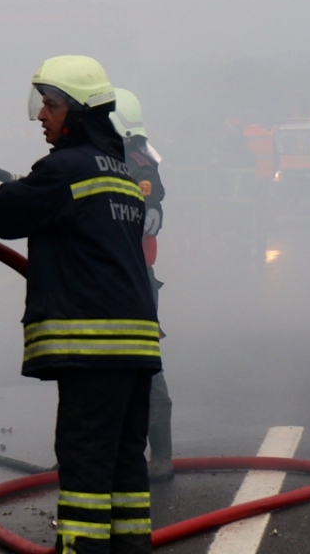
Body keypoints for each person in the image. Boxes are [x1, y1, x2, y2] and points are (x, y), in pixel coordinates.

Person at [0, 56, 159, 554]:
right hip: (135, 347)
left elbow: (2, 212)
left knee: (84, 461)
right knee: (124, 462)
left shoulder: (65, 169)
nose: (41, 116)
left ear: (76, 111)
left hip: (93, 346)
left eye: (50, 105)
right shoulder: (119, 173)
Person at [109, 88, 173, 483]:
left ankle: (161, 456)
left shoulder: (135, 159)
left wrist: (151, 206)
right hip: (107, 280)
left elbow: (150, 190)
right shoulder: (116, 156)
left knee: (146, 371)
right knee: (92, 373)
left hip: (131, 284)